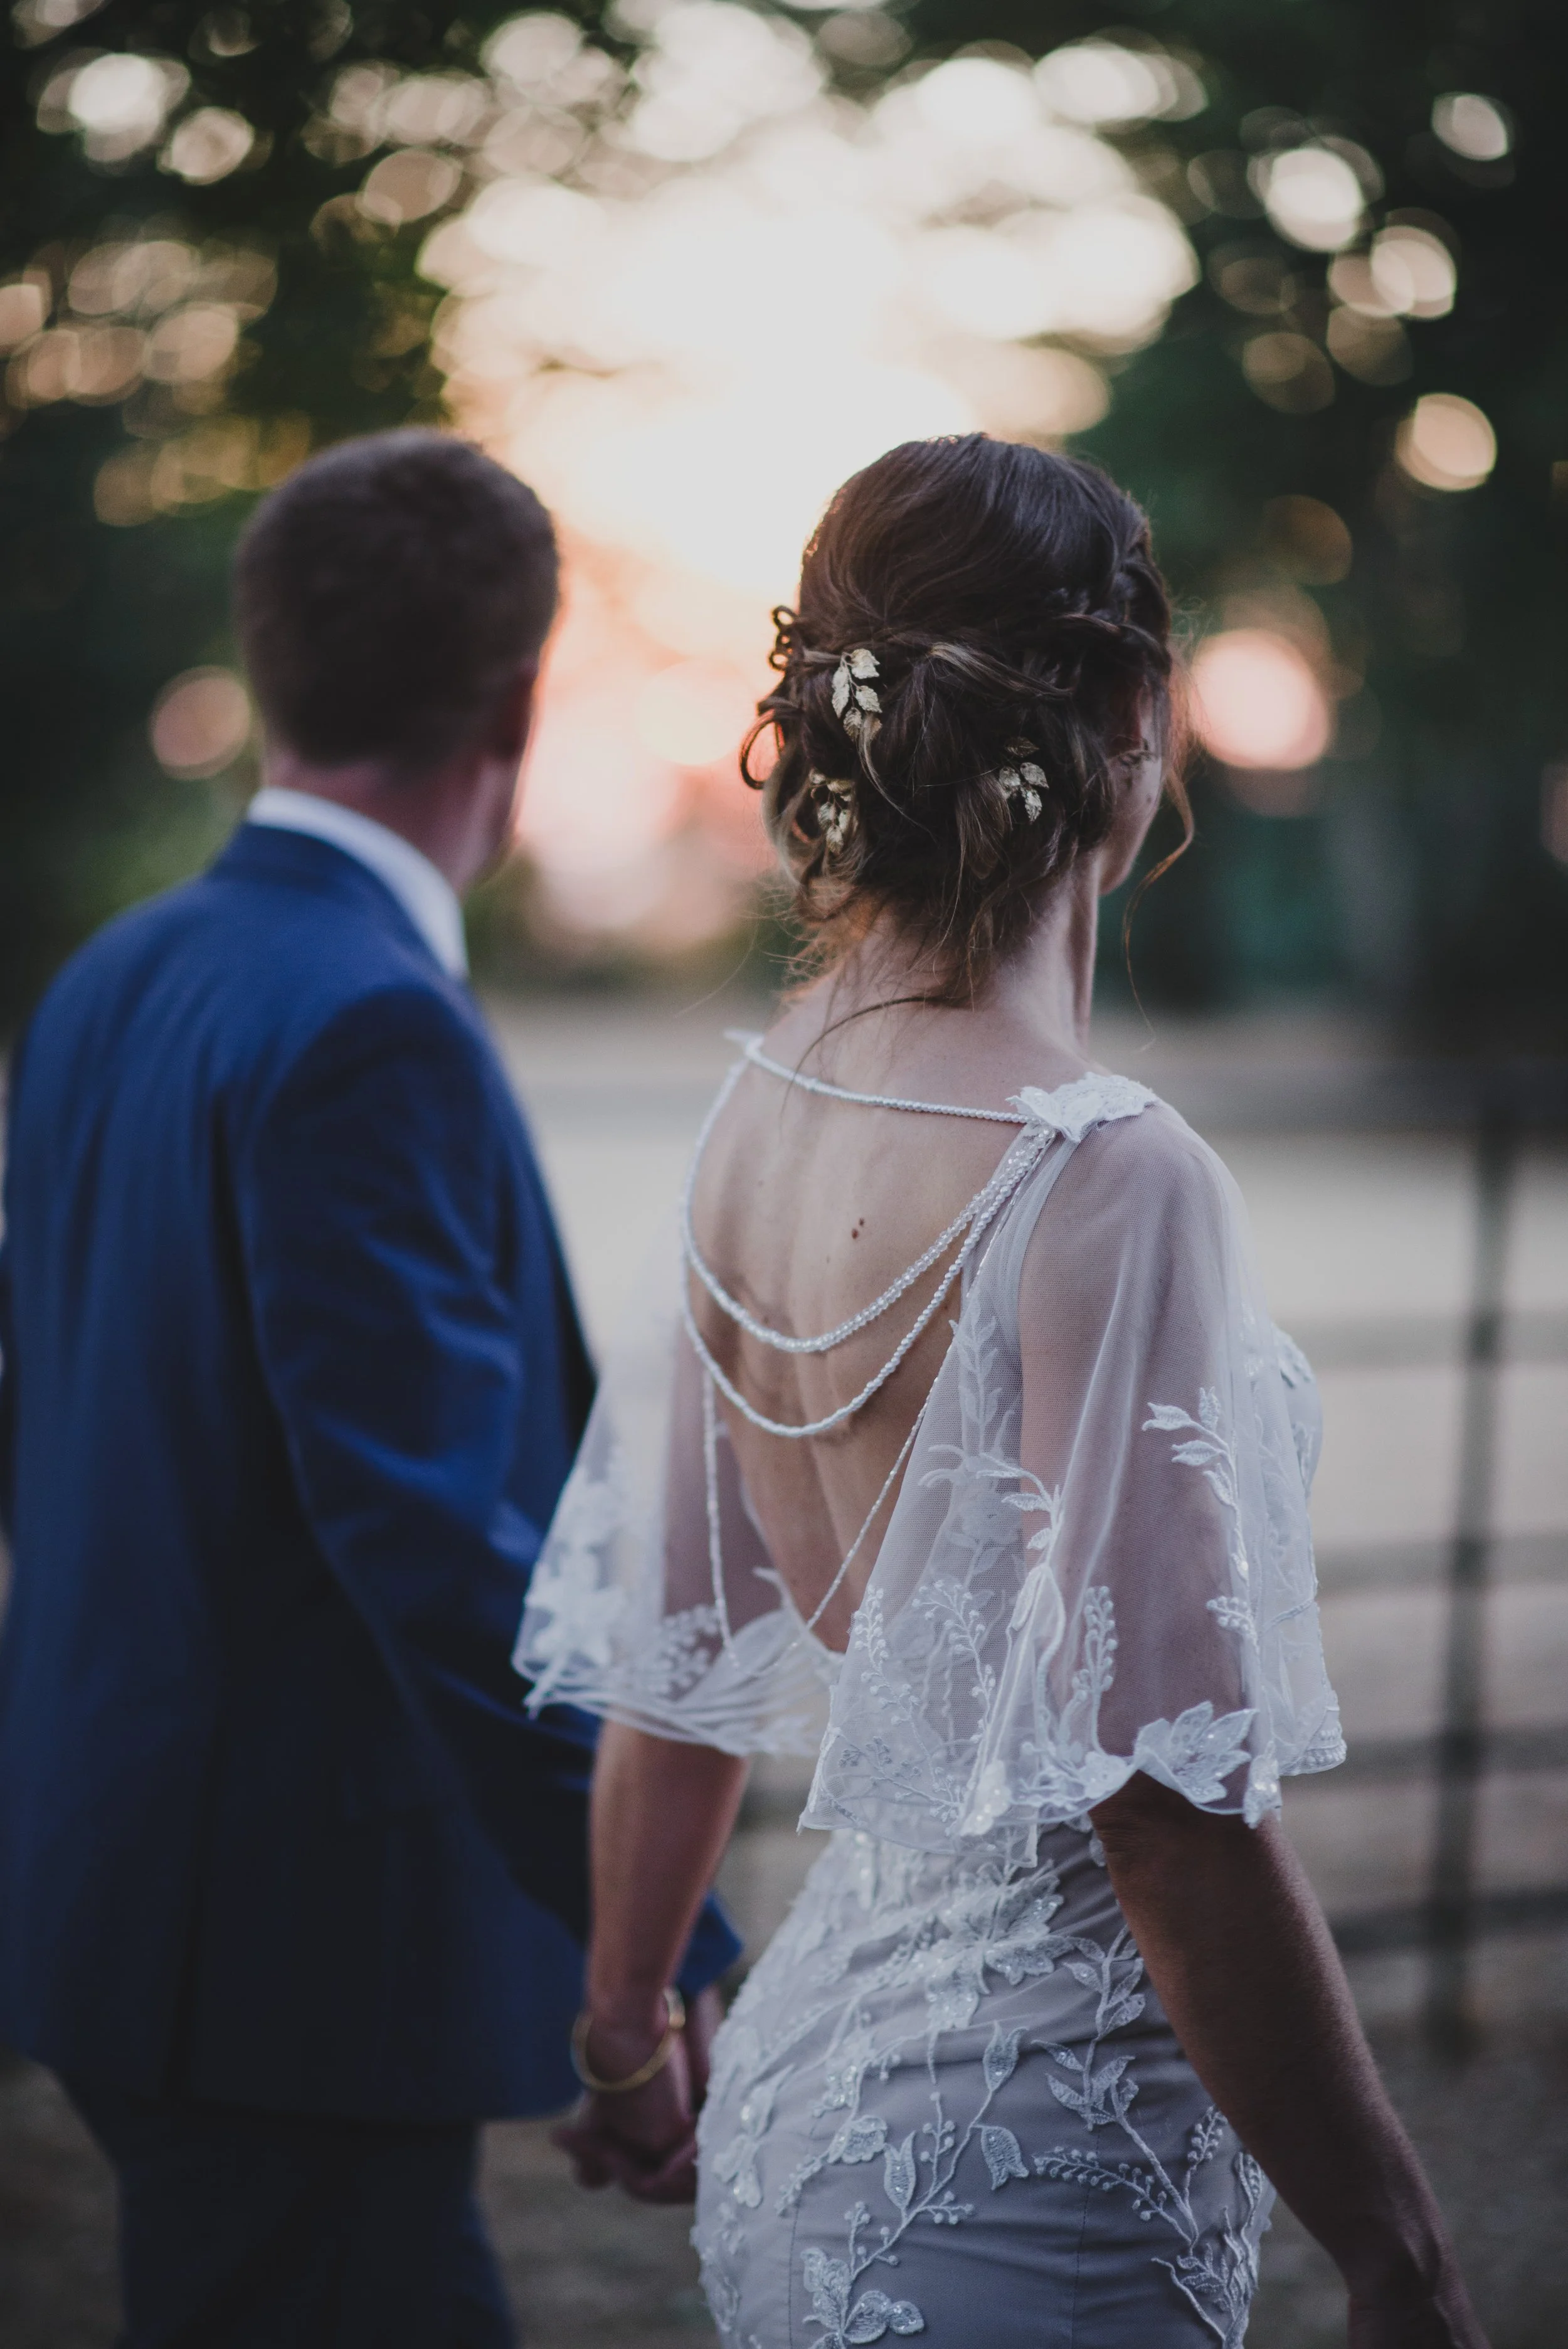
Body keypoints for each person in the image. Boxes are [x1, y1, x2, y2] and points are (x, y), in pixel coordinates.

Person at [516, 435, 1488, 2347]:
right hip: (1029, 2170)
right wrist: (1398, 2253)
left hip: (805, 2118)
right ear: (1139, 713)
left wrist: (627, 2032)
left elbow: (676, 1656)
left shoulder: (755, 1105)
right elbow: (1162, 1812)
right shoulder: (1100, 1173)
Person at [0, 430, 737, 2348]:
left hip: (125, 1906)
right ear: (516, 695)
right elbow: (431, 1539)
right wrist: (645, 1960)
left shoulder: (117, 973)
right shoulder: (369, 1023)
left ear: (271, 664)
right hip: (281, 1969)